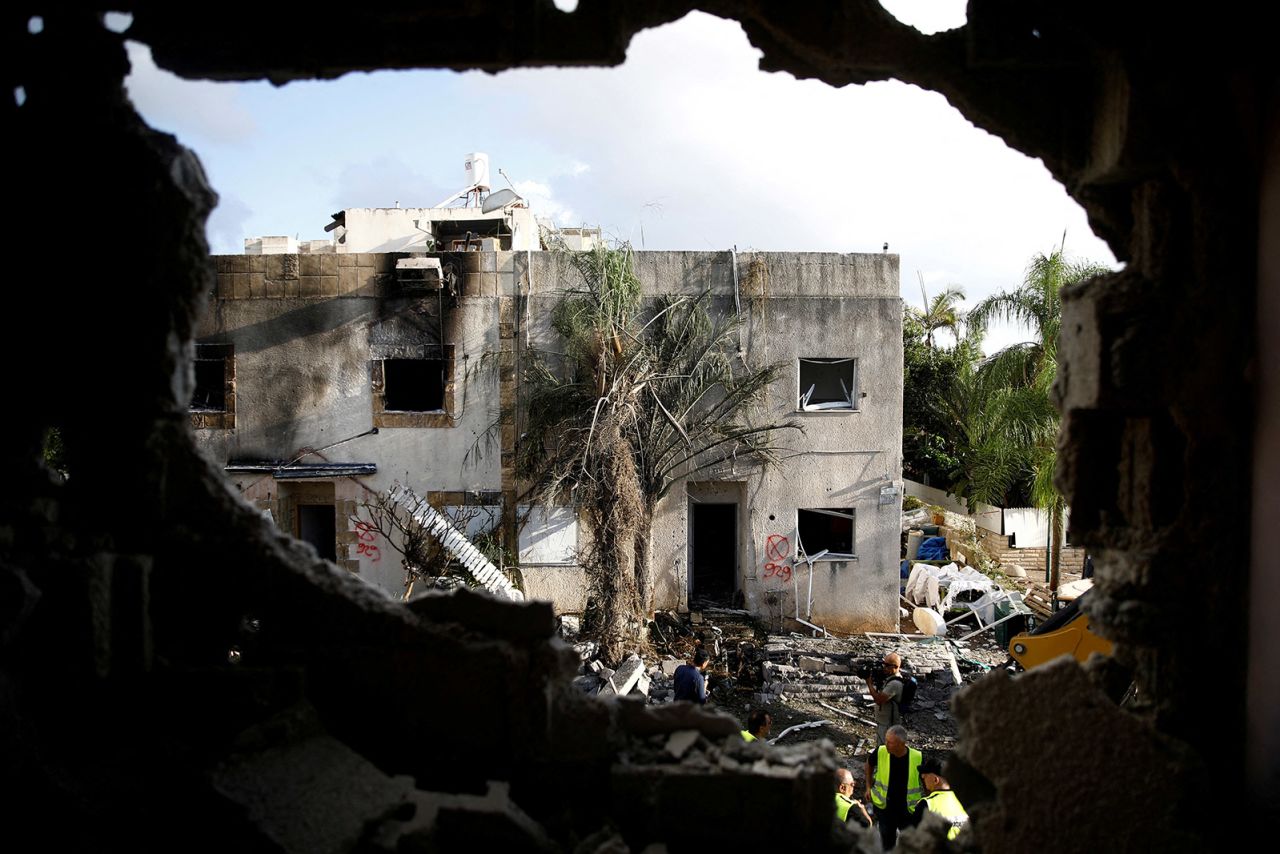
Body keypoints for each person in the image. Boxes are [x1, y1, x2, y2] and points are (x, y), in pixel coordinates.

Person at [864, 725, 923, 851]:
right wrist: (868, 787)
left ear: (901, 744)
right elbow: (869, 764)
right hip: (885, 808)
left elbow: (927, 779)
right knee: (887, 841)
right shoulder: (881, 751)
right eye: (886, 740)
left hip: (907, 810)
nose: (886, 744)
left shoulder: (917, 757)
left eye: (890, 742)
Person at [913, 756, 968, 841]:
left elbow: (915, 838)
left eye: (926, 774)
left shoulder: (926, 803)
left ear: (935, 780)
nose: (922, 777)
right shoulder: (965, 800)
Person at [866, 652, 904, 746]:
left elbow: (878, 700)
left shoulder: (894, 684)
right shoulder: (890, 678)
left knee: (885, 748)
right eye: (884, 664)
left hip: (888, 723)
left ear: (895, 667)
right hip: (885, 721)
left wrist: (869, 683)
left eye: (887, 665)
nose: (884, 668)